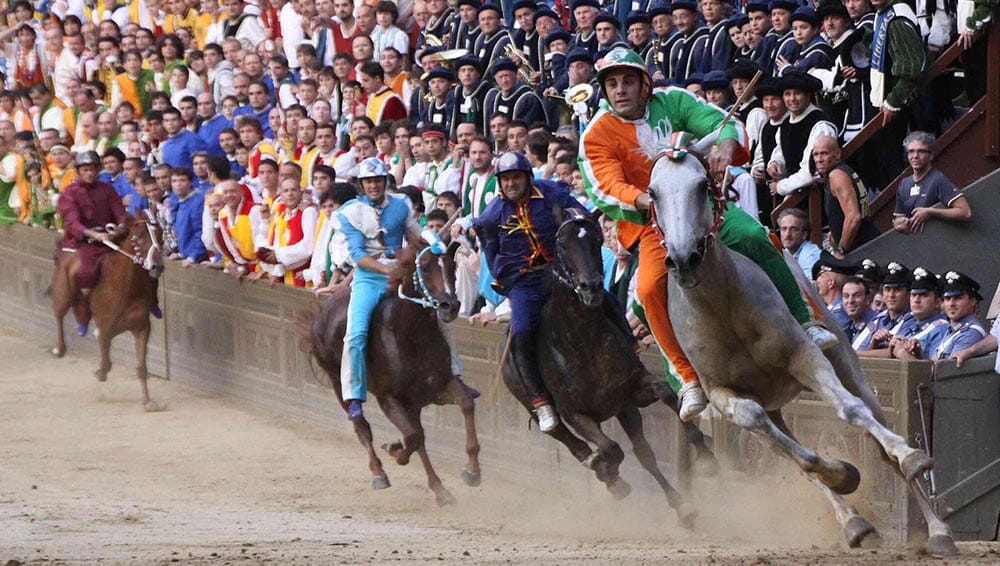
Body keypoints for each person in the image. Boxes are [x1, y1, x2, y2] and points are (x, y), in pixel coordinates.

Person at [580, 48, 837, 422]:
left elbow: (718, 121)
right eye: (613, 83)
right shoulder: (597, 132)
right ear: (605, 89)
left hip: (703, 208)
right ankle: (687, 378)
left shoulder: (674, 100)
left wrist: (728, 144)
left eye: (628, 81)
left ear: (644, 83)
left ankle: (806, 321)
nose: (621, 90)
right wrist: (647, 199)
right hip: (652, 221)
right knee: (650, 289)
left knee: (752, 234)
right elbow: (603, 186)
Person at [473, 152, 586, 431]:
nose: (511, 183)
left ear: (527, 177)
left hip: (562, 273)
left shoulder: (551, 193)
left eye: (516, 177)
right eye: (506, 178)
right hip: (525, 283)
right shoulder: (491, 216)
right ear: (500, 183)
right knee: (522, 330)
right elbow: (491, 254)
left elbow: (577, 215)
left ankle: (631, 353)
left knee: (601, 301)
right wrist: (508, 284)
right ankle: (540, 401)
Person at [338, 158, 423, 420]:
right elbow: (357, 255)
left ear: (385, 182)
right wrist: (387, 270)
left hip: (403, 274)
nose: (374, 185)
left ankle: (453, 371)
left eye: (378, 180)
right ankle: (353, 394)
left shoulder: (401, 204)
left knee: (437, 317)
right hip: (368, 278)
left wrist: (427, 244)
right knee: (355, 333)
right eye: (369, 181)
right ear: (362, 185)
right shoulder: (349, 211)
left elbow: (415, 236)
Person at [55, 151, 131, 336]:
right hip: (85, 242)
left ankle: (149, 301)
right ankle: (83, 312)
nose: (89, 173)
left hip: (112, 238)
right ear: (79, 172)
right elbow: (73, 222)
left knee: (139, 260)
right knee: (85, 273)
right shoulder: (69, 193)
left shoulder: (107, 189)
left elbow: (120, 212)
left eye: (92, 169)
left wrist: (120, 227)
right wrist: (94, 235)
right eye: (85, 170)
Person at [896, 271, 988, 362]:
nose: (951, 304)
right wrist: (919, 353)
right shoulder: (954, 329)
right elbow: (935, 364)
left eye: (958, 298)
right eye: (947, 299)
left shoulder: (970, 333)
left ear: (972, 301)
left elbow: (945, 374)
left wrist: (903, 355)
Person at [811, 135, 879, 255]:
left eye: (824, 153)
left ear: (837, 154)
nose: (819, 159)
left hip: (862, 248)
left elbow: (854, 217)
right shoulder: (844, 171)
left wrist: (841, 250)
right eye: (815, 154)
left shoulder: (837, 176)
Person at [893, 132, 972, 234]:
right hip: (914, 243)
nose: (915, 156)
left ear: (931, 155)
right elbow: (899, 217)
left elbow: (965, 212)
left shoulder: (937, 179)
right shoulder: (904, 184)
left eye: (921, 151)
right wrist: (898, 223)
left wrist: (931, 212)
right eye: (911, 151)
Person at [854, 262, 911, 351]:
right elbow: (857, 350)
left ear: (908, 295)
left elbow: (895, 354)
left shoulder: (912, 321)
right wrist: (873, 344)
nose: (891, 295)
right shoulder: (877, 320)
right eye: (887, 290)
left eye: (897, 290)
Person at [776, 208, 821, 276]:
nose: (787, 234)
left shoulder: (811, 254)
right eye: (784, 229)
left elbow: (808, 284)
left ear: (804, 234)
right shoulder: (786, 252)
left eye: (793, 229)